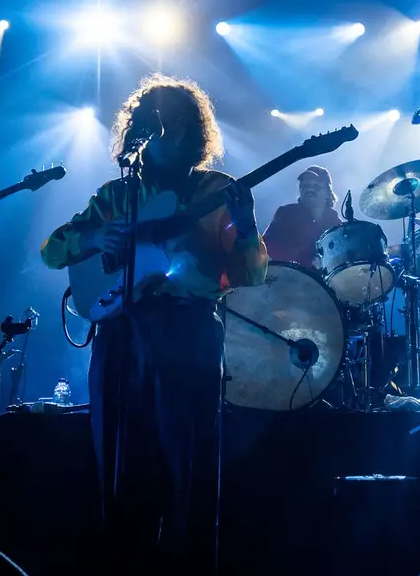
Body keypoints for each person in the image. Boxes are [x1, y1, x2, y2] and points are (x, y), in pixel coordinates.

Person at [40, 74, 268, 572]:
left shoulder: (218, 191)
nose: (165, 132)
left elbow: (252, 273)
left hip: (188, 335)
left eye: (176, 124)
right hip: (121, 335)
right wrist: (98, 237)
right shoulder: (117, 195)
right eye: (155, 122)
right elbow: (52, 249)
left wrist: (246, 226)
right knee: (120, 469)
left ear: (193, 132)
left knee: (189, 471)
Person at [262, 165, 341, 266]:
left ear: (328, 193)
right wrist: (303, 258)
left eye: (316, 186)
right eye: (305, 186)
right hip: (286, 278)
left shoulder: (336, 225)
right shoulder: (286, 213)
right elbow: (266, 246)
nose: (310, 190)